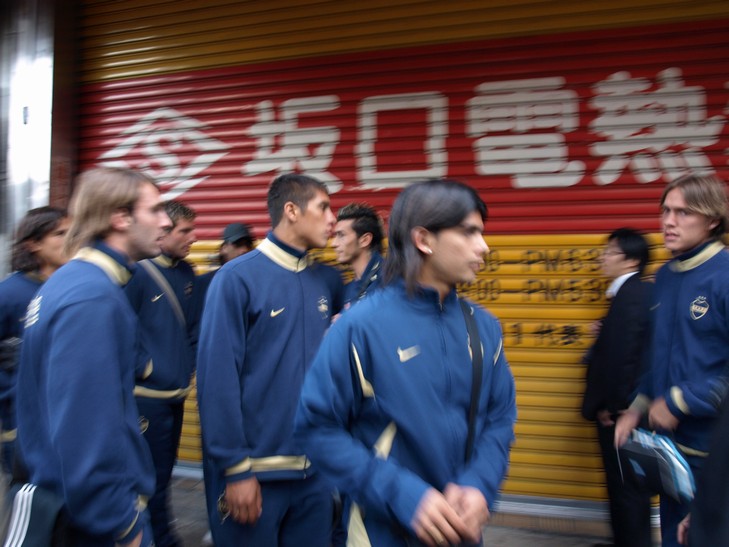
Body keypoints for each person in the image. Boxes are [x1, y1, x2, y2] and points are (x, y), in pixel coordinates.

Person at [295, 179, 517, 546]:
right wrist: (403, 495)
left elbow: (500, 418)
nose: (484, 246)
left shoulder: (484, 327)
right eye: (469, 232)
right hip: (380, 533)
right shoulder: (360, 327)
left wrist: (480, 484)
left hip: (460, 534)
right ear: (424, 240)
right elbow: (316, 428)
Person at [14, 167, 171, 546]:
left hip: (76, 508)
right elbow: (84, 428)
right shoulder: (91, 296)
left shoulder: (74, 282)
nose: (166, 221)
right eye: (155, 210)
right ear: (120, 217)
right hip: (95, 524)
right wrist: (122, 523)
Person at [196, 173, 344, 546]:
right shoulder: (236, 279)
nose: (333, 219)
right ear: (291, 210)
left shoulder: (319, 281)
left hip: (315, 475)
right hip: (255, 477)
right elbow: (217, 380)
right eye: (324, 207)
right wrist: (235, 469)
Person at [615, 173, 729, 547]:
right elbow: (657, 355)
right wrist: (637, 407)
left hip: (713, 453)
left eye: (683, 212)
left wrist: (680, 401)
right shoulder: (664, 275)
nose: (669, 221)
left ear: (713, 220)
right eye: (665, 210)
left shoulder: (724, 275)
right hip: (668, 452)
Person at [124, 200, 200, 547]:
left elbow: (192, 330)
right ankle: (154, 538)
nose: (193, 237)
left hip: (176, 395)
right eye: (185, 231)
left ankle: (161, 534)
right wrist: (149, 368)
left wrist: (187, 365)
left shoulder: (187, 273)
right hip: (146, 400)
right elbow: (120, 329)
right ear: (164, 231)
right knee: (147, 477)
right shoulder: (135, 273)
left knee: (165, 472)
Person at [581, 228, 653, 547]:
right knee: (622, 485)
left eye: (610, 252)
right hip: (620, 410)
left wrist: (615, 407)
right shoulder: (630, 294)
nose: (603, 258)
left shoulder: (631, 296)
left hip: (621, 415)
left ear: (631, 260)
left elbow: (626, 358)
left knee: (628, 488)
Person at [0, 206, 69, 475]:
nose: (70, 239)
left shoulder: (74, 286)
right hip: (22, 422)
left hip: (65, 417)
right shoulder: (8, 294)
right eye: (60, 233)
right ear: (33, 243)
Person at [332, 203, 384, 306]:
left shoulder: (391, 280)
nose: (334, 244)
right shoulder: (347, 290)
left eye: (341, 235)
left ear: (365, 240)